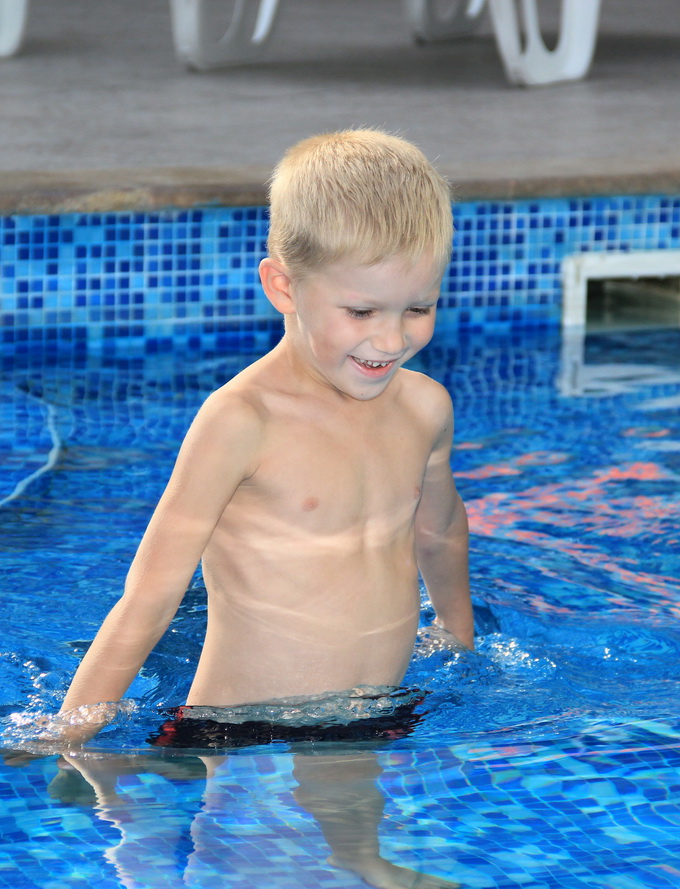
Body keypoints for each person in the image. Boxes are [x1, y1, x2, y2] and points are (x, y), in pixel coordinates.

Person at [57, 127, 474, 746]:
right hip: (238, 729)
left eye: (418, 308)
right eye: (361, 312)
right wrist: (67, 738)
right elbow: (150, 595)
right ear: (284, 287)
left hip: (378, 713)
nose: (391, 340)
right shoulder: (242, 421)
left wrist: (459, 639)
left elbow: (439, 529)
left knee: (367, 819)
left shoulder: (424, 407)